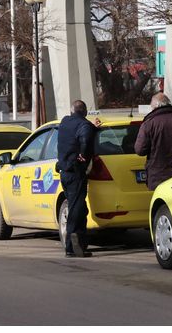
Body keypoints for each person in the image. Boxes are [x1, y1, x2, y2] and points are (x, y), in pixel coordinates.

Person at [56, 100, 99, 258]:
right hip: (76, 173)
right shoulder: (84, 126)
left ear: (72, 110)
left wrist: (92, 127)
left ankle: (80, 244)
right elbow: (85, 139)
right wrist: (83, 154)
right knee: (76, 209)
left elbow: (78, 134)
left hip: (64, 172)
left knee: (80, 208)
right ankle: (71, 246)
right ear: (85, 111)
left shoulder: (64, 122)